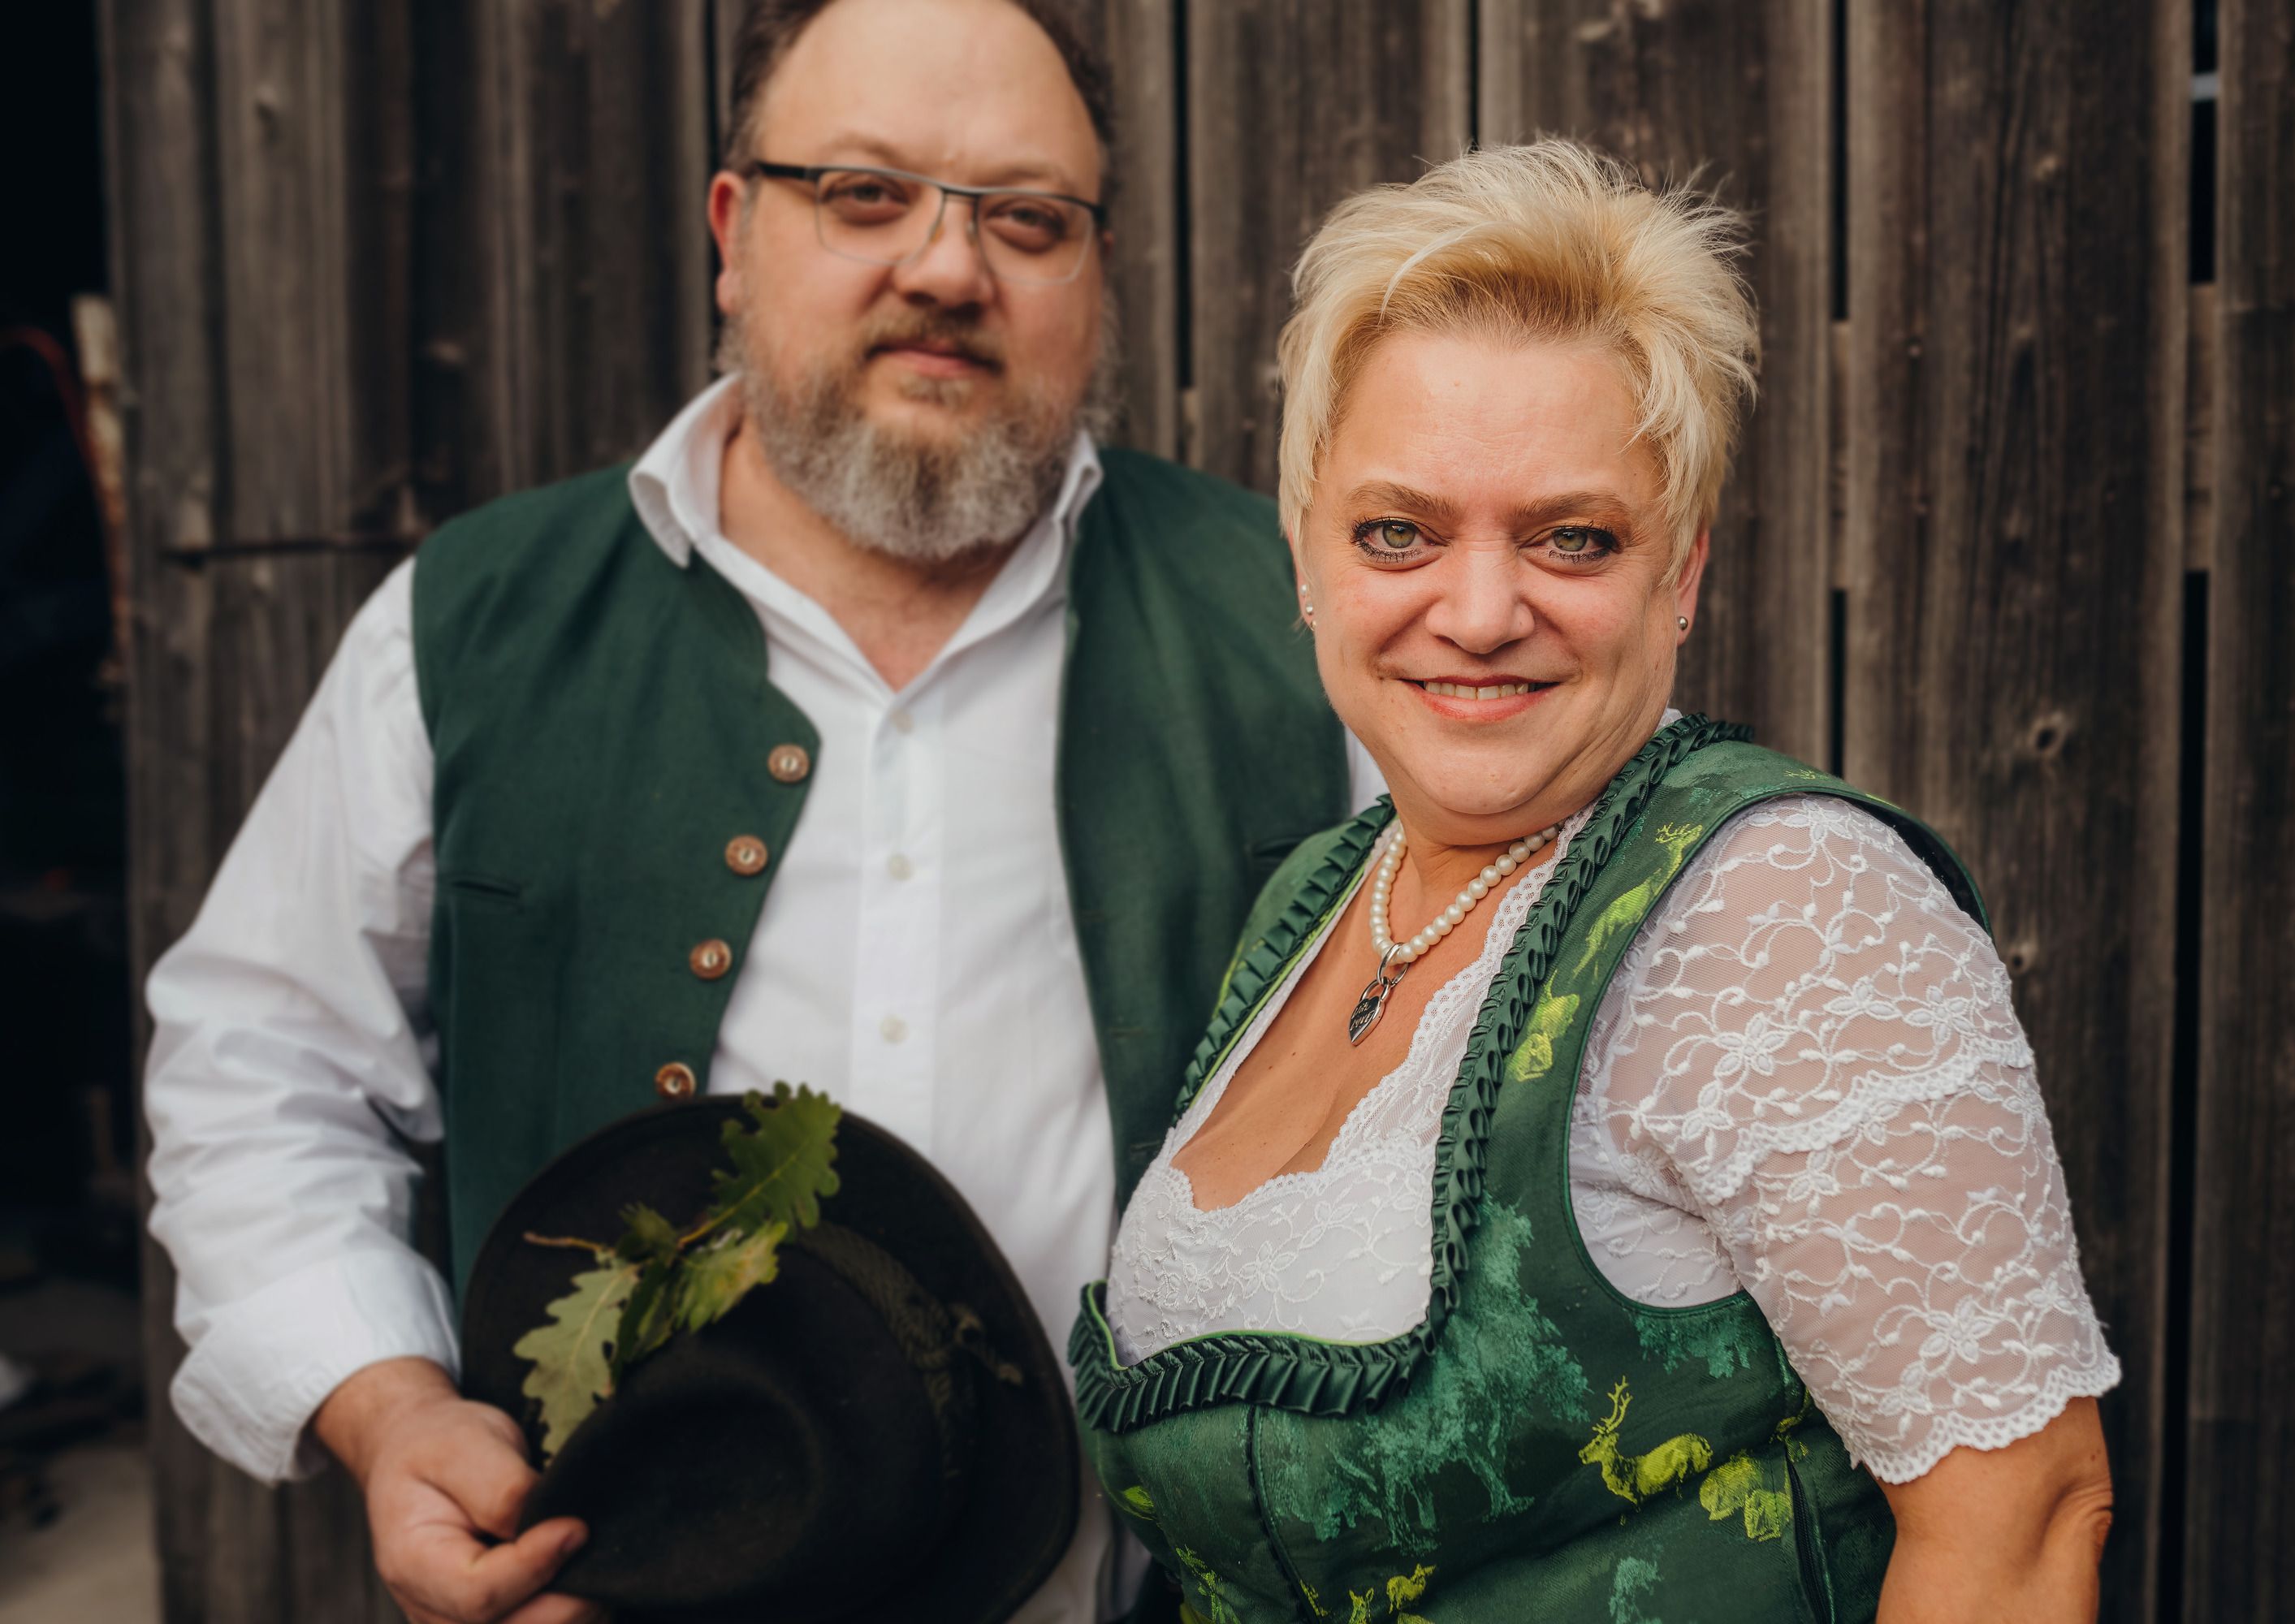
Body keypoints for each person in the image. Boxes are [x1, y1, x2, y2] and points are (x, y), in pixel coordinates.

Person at [140, 3, 1373, 1622]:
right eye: (865, 194)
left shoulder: (1298, 620)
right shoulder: (471, 627)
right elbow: (260, 1066)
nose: (946, 268)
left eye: (1025, 217)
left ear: (1097, 270)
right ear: (735, 231)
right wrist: (384, 1405)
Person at [1070, 139, 2120, 1622]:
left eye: (1572, 538)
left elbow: (2019, 1528)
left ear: (1678, 578)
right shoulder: (1317, 896)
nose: (1482, 609)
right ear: (1306, 557)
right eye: (1398, 532)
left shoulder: (1785, 910)